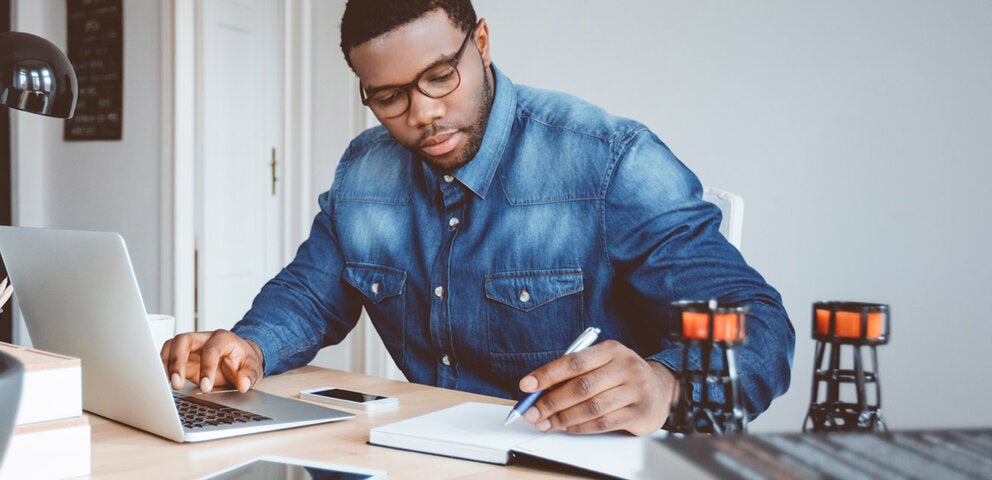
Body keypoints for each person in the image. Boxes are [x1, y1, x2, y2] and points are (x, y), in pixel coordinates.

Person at [161, 0, 794, 436]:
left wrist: (667, 385)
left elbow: (759, 323)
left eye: (440, 76)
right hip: (423, 455)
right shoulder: (364, 171)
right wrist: (248, 345)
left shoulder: (609, 161)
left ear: (481, 44)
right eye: (388, 96)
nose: (424, 113)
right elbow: (309, 295)